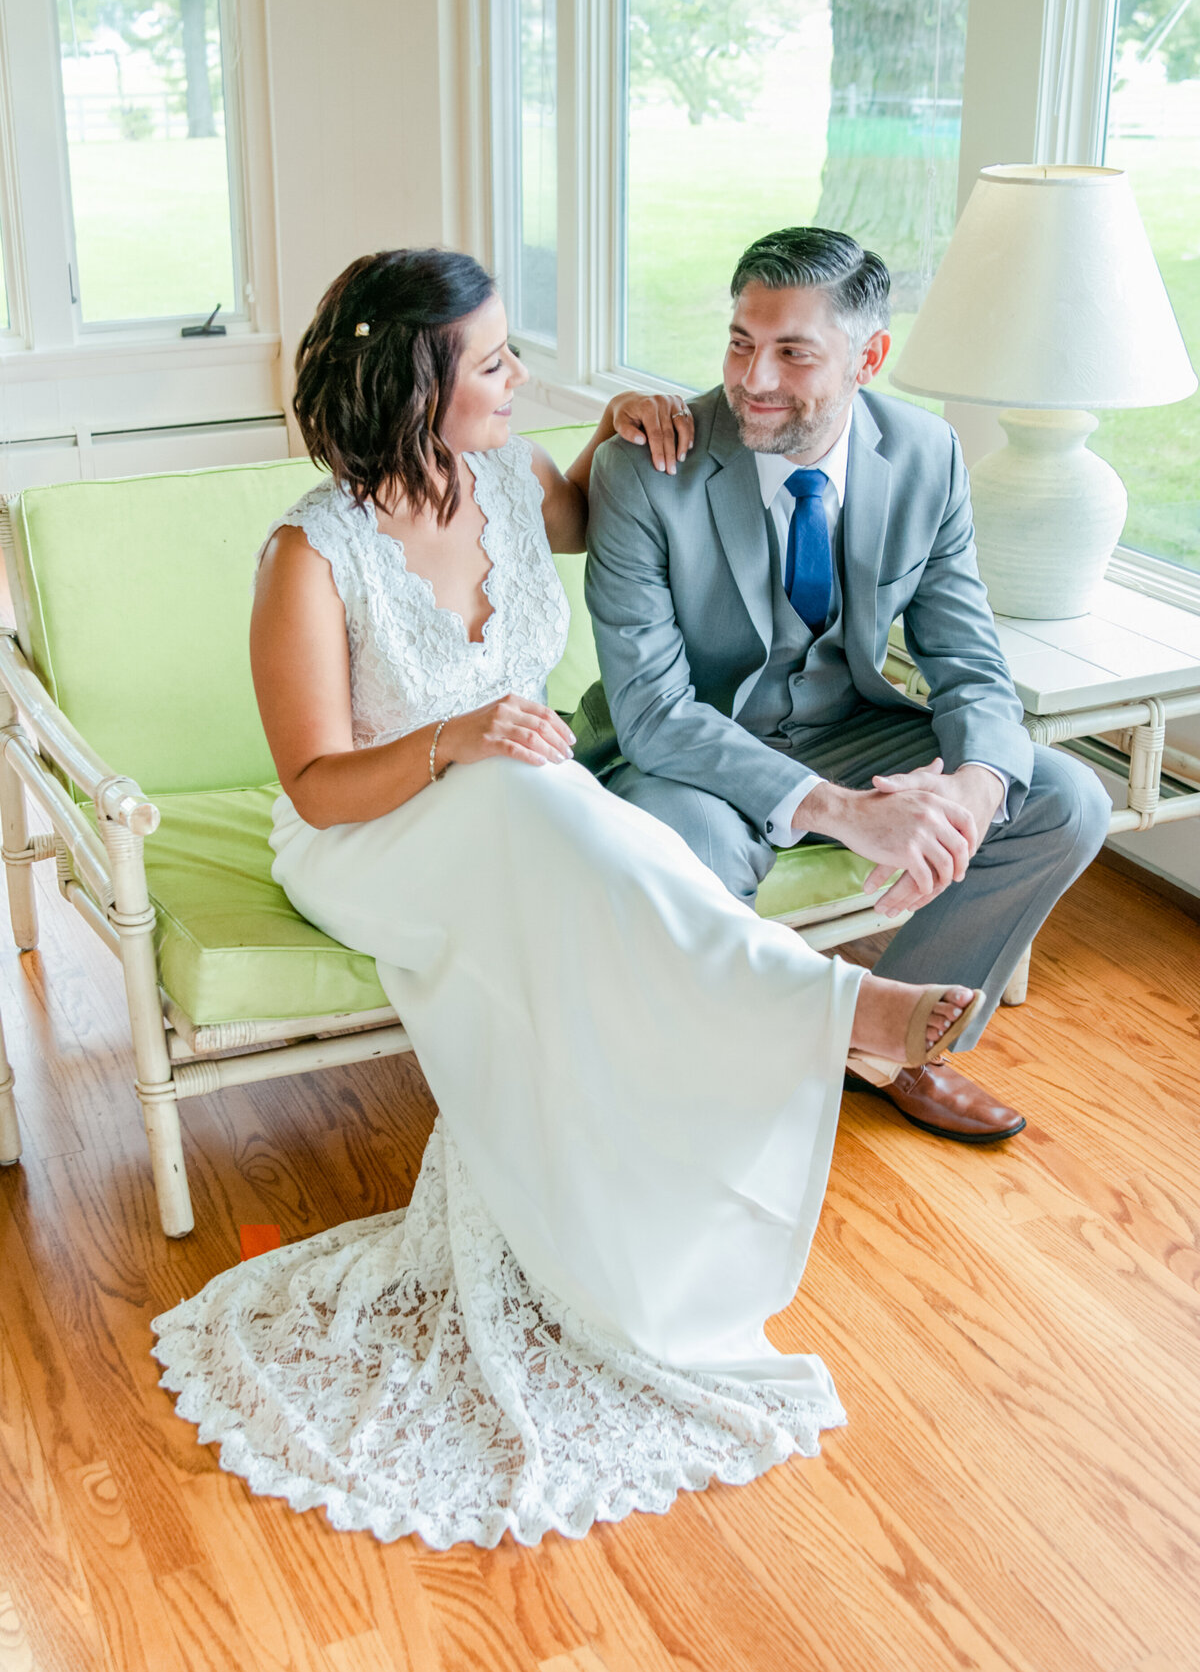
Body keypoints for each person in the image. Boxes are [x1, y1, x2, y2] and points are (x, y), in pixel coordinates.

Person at [152, 247, 986, 1550]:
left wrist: (615, 426)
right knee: (539, 802)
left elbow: (610, 516)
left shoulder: (508, 473)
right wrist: (456, 737)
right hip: (376, 834)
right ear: (418, 386)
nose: (517, 375)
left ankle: (752, 1071)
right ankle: (833, 1010)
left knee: (577, 823)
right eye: (492, 362)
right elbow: (314, 785)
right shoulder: (307, 557)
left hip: (517, 799)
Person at [585, 226, 1112, 1146]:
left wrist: (973, 786)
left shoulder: (928, 454)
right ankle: (708, 1087)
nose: (754, 380)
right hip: (693, 749)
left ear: (869, 357)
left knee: (1064, 795)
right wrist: (844, 811)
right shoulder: (645, 465)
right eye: (742, 343)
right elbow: (653, 712)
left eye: (793, 353)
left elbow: (969, 658)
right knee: (686, 845)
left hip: (849, 723)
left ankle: (895, 1053)